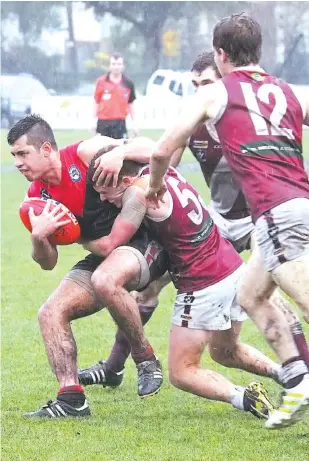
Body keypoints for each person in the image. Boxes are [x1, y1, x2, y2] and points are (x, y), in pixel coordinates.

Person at [79, 52, 309, 388]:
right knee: (150, 288)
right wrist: (124, 154)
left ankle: (297, 372)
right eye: (195, 84)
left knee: (270, 294)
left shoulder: (247, 115)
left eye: (207, 83)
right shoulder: (195, 124)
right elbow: (161, 165)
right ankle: (116, 366)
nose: (200, 90)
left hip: (263, 216)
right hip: (221, 222)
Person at [145, 13, 309, 429]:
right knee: (252, 293)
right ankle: (299, 377)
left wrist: (154, 188)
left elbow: (163, 150)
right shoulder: (287, 91)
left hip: (276, 212)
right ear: (259, 51)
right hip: (289, 209)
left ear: (220, 55)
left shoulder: (217, 92)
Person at [85, 155, 281, 420]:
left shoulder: (142, 195)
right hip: (232, 268)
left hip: (203, 283)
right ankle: (289, 375)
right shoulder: (164, 172)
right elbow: (153, 148)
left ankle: (247, 398)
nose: (105, 200)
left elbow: (109, 244)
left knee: (182, 372)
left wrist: (72, 232)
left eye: (106, 192)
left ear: (128, 181)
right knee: (225, 351)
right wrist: (119, 152)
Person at [7, 115, 166, 418]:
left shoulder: (85, 152)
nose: (18, 162)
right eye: (13, 155)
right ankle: (71, 399)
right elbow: (47, 263)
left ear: (45, 149)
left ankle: (146, 360)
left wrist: (120, 151)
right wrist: (39, 238)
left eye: (23, 153)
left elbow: (156, 150)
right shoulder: (38, 196)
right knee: (50, 313)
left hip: (146, 241)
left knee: (107, 280)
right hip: (104, 254)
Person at [94, 52, 138, 139]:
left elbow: (131, 104)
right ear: (109, 66)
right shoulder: (101, 82)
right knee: (102, 150)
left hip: (120, 123)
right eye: (113, 64)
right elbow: (96, 101)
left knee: (121, 150)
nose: (116, 67)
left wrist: (135, 122)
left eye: (119, 64)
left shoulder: (128, 83)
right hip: (103, 122)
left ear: (123, 66)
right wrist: (92, 120)